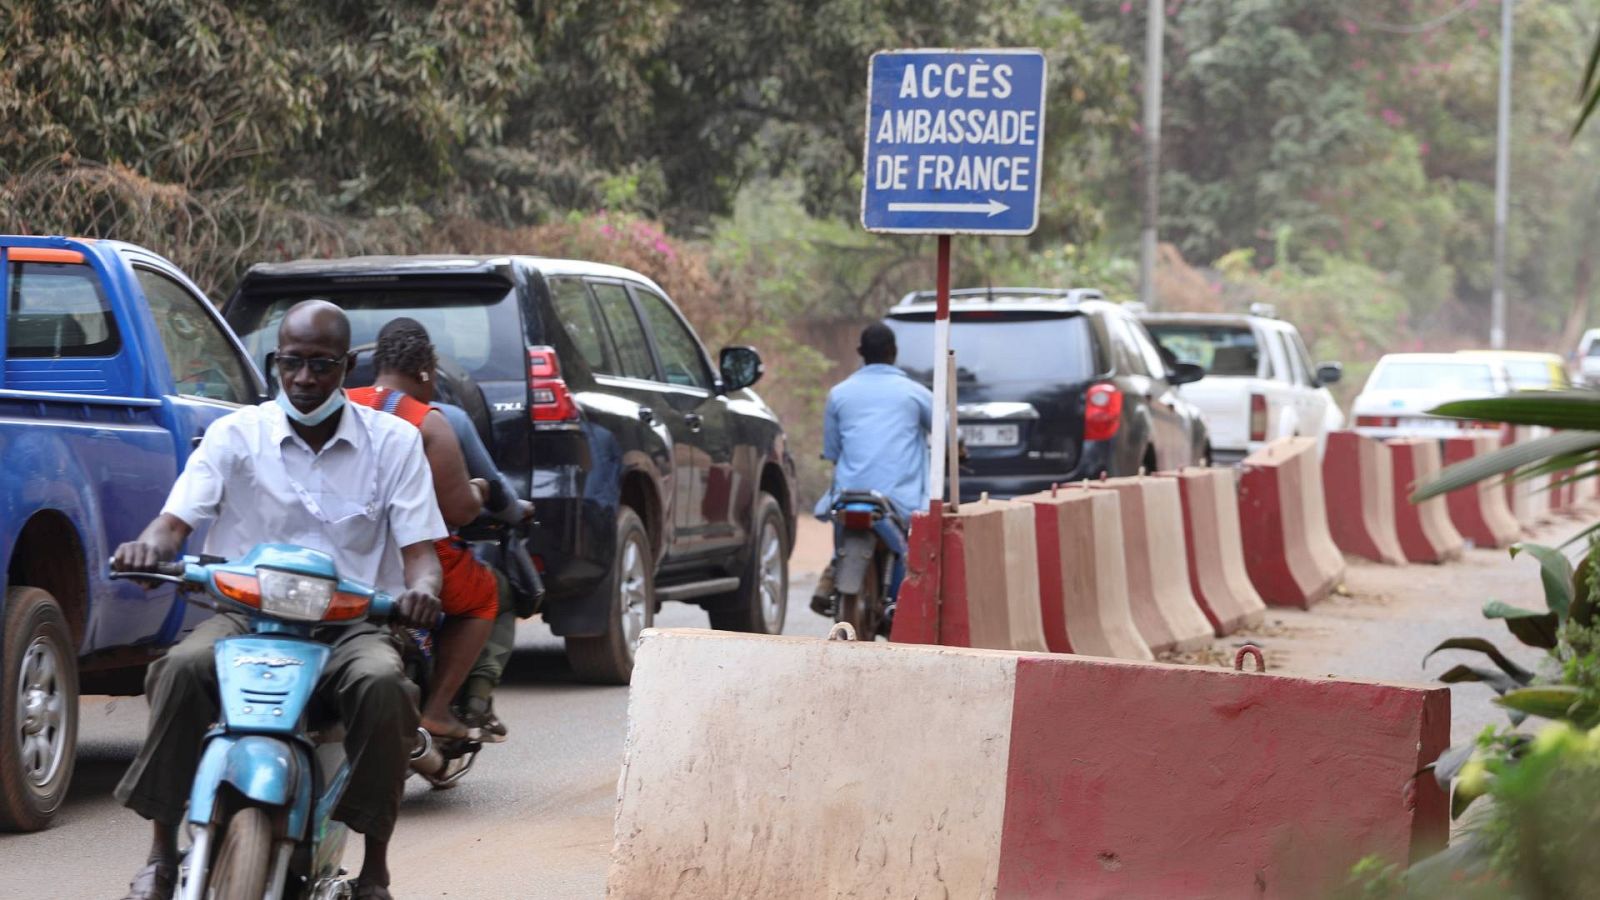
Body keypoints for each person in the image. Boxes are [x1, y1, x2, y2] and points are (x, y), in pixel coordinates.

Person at [112, 300, 445, 900]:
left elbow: (421, 552)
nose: (305, 379)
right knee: (180, 669)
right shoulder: (235, 434)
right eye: (292, 363)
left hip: (352, 624)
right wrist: (146, 547)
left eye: (321, 365)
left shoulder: (394, 443)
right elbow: (174, 522)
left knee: (385, 687)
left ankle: (375, 868)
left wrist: (422, 590)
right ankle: (161, 854)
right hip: (246, 615)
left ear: (346, 365)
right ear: (275, 361)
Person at [345, 318, 500, 743]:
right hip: (410, 555)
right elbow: (460, 510)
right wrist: (480, 489)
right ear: (426, 371)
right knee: (484, 594)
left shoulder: (338, 402)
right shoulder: (427, 422)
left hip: (342, 550)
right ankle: (437, 710)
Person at [811, 323, 933, 613]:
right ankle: (900, 602)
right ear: (894, 353)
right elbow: (946, 435)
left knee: (840, 523)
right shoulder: (916, 394)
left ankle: (831, 574)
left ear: (860, 353)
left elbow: (832, 451)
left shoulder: (838, 394)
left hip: (848, 494)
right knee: (914, 543)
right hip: (899, 499)